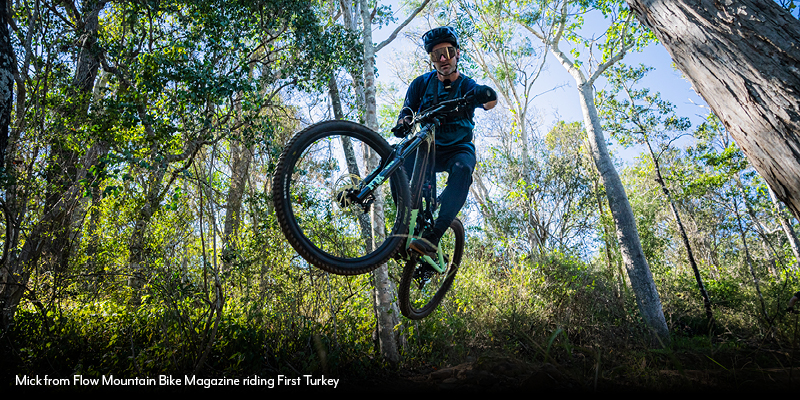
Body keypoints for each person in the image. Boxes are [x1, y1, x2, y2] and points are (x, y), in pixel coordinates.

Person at [392, 26, 497, 257]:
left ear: (458, 53)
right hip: (427, 150)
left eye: (448, 52)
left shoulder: (467, 85)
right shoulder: (421, 84)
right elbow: (407, 111)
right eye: (435, 55)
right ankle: (403, 225)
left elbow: (489, 103)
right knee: (395, 158)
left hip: (458, 149)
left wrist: (485, 96)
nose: (442, 59)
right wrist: (403, 123)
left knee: (463, 169)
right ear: (431, 59)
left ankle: (434, 236)